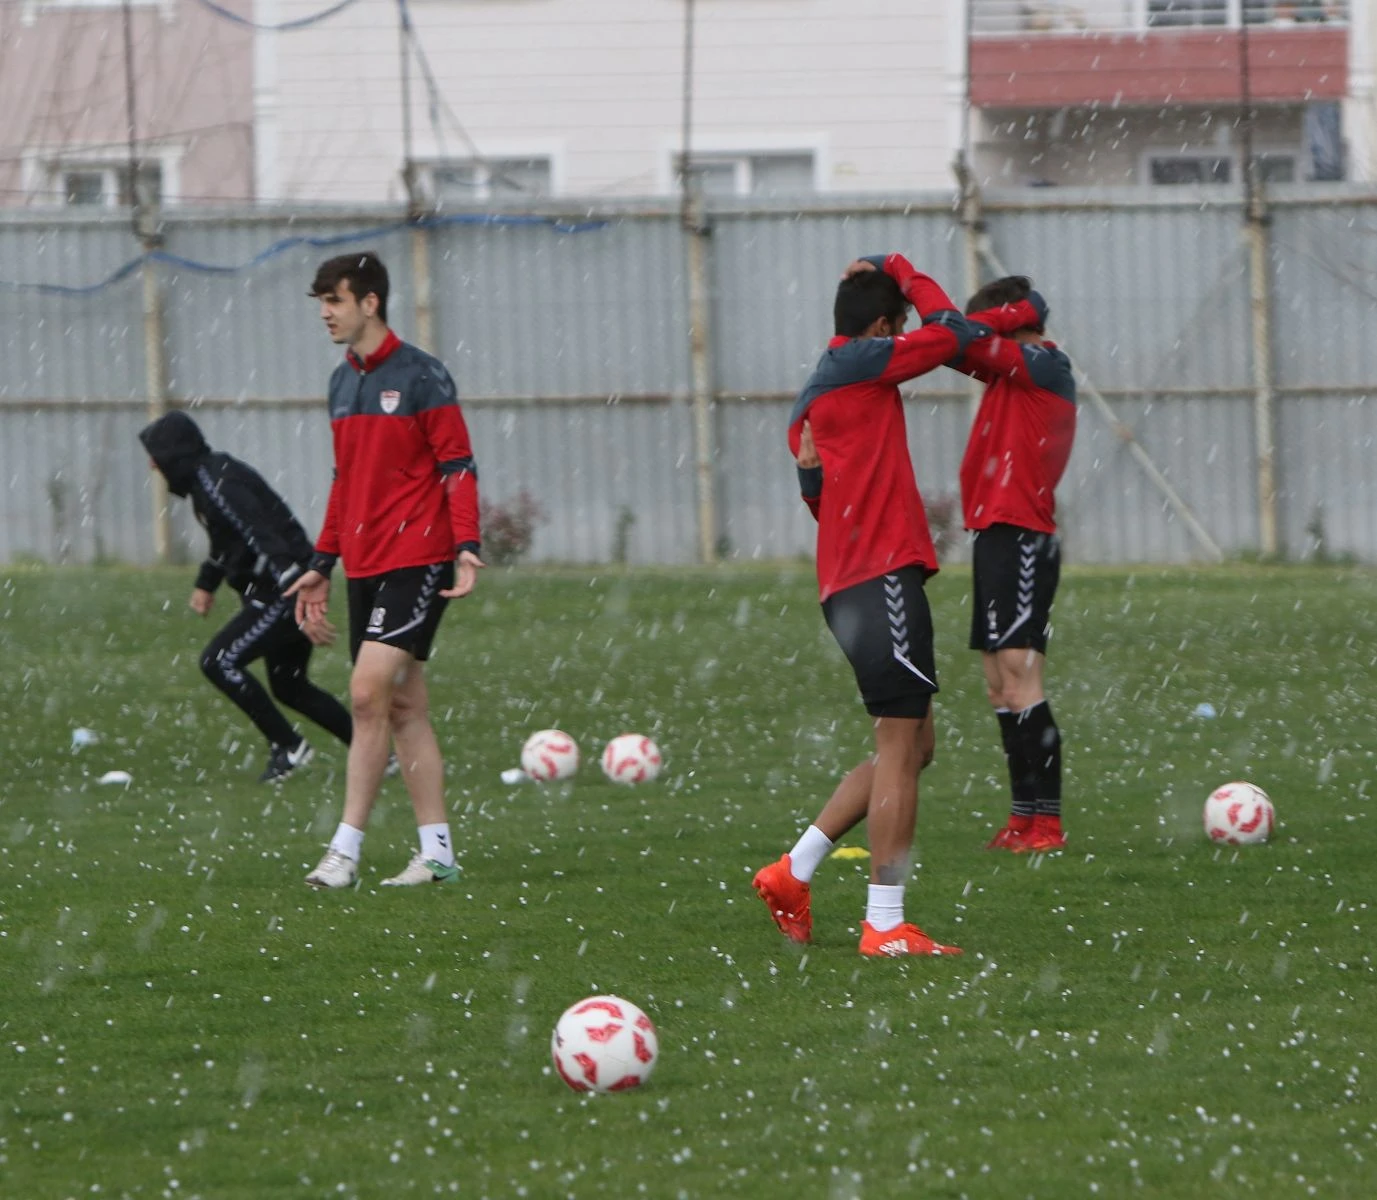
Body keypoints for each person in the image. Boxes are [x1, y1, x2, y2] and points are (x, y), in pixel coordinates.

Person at [752, 253, 973, 958]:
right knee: (901, 747)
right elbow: (952, 332)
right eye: (895, 327)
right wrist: (900, 266)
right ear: (881, 327)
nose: (903, 338)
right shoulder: (861, 363)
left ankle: (793, 872)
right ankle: (883, 924)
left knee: (913, 746)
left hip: (849, 585)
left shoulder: (812, 395)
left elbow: (816, 496)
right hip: (880, 582)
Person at [288, 251, 483, 889]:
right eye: (321, 302)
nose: (324, 313)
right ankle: (439, 854)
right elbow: (345, 480)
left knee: (369, 692)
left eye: (334, 300)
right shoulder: (341, 382)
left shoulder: (423, 375)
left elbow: (457, 464)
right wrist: (323, 562)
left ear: (370, 301)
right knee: (403, 706)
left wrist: (466, 544)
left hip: (419, 555)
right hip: (367, 563)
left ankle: (344, 852)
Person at [139, 411, 354, 782]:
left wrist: (297, 593)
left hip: (280, 591)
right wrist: (207, 583)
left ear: (174, 455)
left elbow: (260, 533)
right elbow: (228, 541)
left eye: (156, 455)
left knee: (219, 661)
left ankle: (288, 746)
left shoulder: (217, 484)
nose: (152, 464)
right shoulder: (208, 480)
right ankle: (376, 754)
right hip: (280, 587)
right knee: (290, 685)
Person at [949, 276, 1077, 854]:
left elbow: (962, 335)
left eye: (995, 323)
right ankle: (1022, 816)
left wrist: (1020, 313)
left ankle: (1047, 822)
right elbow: (953, 342)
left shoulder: (1045, 364)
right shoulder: (1008, 370)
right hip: (995, 534)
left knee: (1022, 674)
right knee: (999, 683)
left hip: (1025, 533)